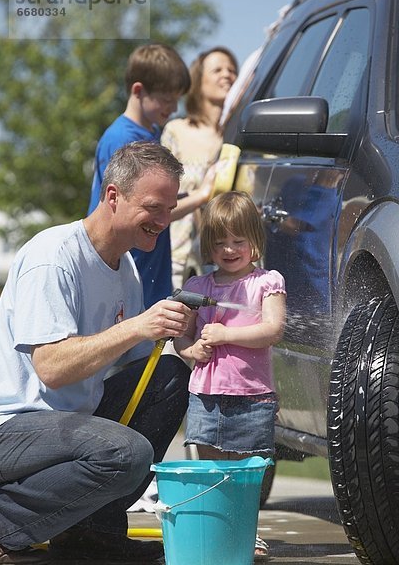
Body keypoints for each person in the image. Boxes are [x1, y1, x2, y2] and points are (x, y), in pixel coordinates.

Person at [0, 141, 192, 564]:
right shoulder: (53, 257)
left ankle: (93, 533)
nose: (164, 221)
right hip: (13, 426)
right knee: (126, 453)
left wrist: (192, 343)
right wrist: (135, 325)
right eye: (154, 207)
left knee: (170, 377)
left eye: (169, 207)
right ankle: (5, 521)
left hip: (66, 424)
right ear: (112, 197)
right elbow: (51, 368)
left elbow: (135, 356)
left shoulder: (126, 267)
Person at [173, 191, 286, 562]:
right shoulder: (197, 288)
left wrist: (225, 335)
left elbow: (272, 330)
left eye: (238, 240)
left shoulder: (265, 282)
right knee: (211, 470)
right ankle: (218, 532)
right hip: (206, 395)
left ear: (255, 241)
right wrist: (191, 351)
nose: (229, 248)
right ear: (208, 245)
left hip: (252, 395)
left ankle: (247, 534)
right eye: (220, 242)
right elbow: (182, 337)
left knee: (245, 473)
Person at [88, 43, 215, 308]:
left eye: (177, 98)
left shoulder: (151, 135)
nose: (174, 106)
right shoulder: (123, 140)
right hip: (128, 280)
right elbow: (149, 208)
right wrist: (202, 195)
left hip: (148, 277)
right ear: (138, 90)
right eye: (167, 99)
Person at [161, 46, 238, 289]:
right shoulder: (177, 131)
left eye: (232, 70)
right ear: (199, 80)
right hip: (177, 260)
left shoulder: (239, 136)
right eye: (217, 70)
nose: (227, 75)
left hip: (227, 263)